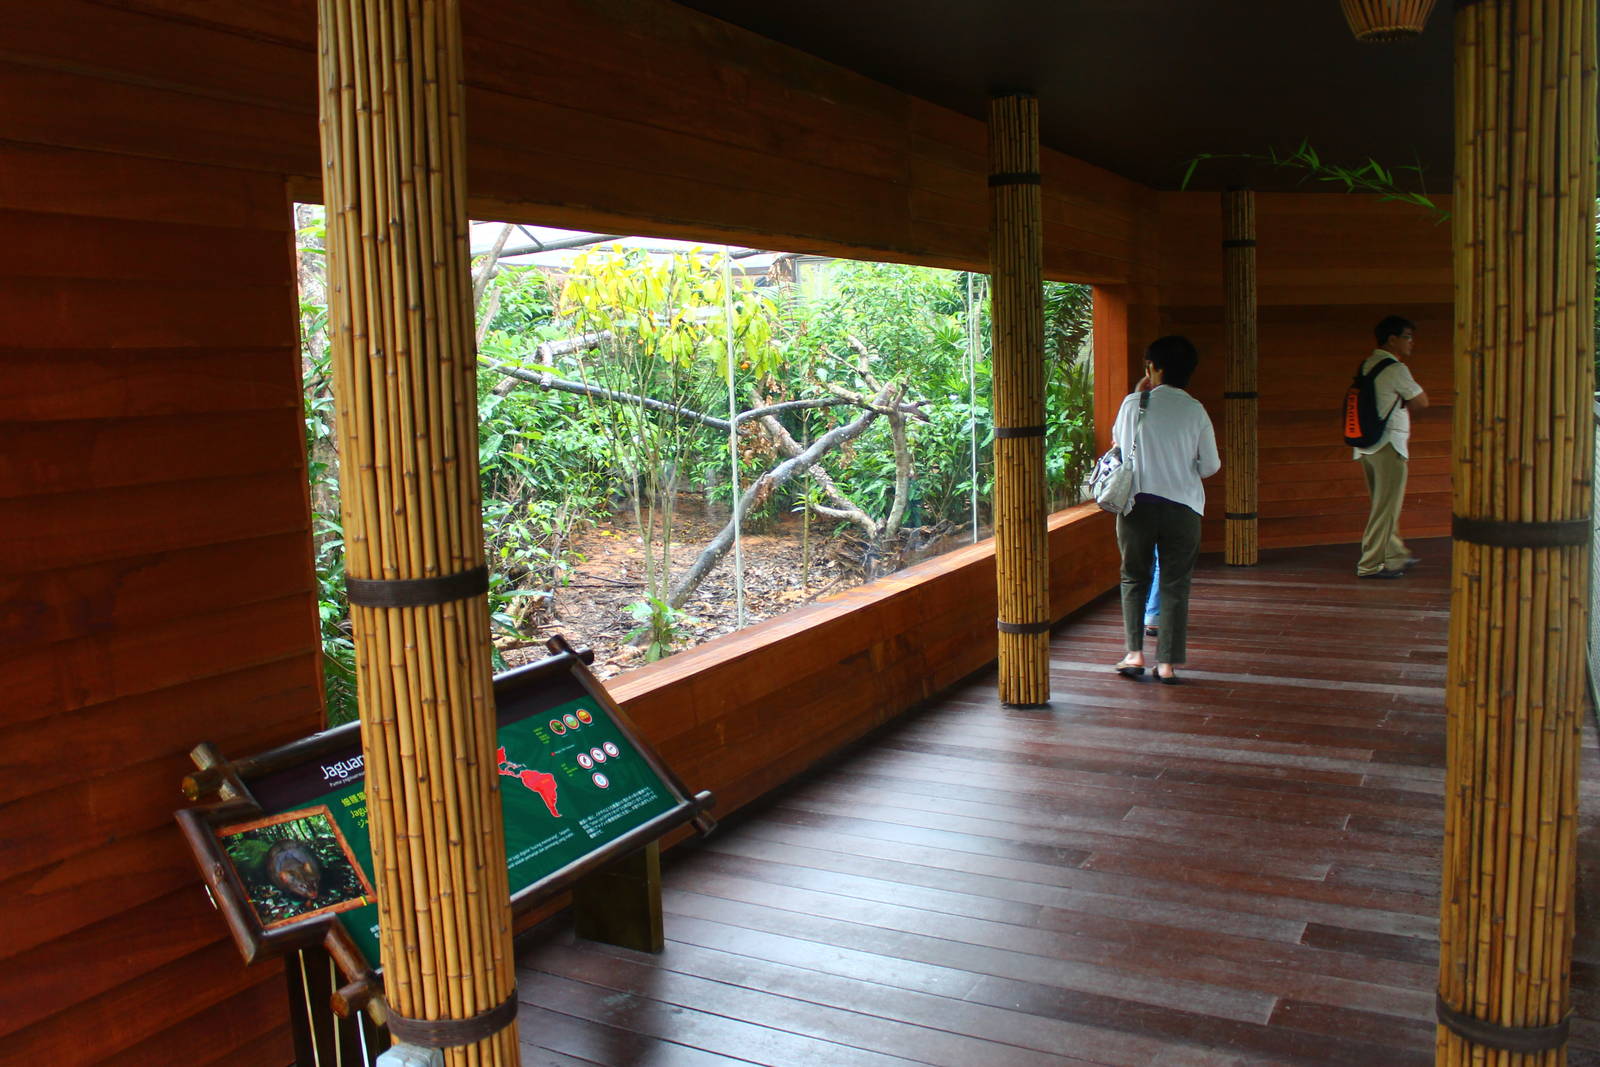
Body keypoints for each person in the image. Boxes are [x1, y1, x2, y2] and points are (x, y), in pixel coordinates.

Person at [1112, 336, 1221, 685]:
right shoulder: (1195, 410)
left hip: (1137, 506)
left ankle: (1134, 654)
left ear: (1153, 368)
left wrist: (1138, 393)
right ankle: (1168, 665)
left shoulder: (1132, 404)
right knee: (1175, 583)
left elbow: (1118, 444)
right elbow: (1210, 467)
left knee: (1133, 577)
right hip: (1184, 509)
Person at [1353, 315, 1428, 578]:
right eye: (1407, 337)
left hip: (1366, 446)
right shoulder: (1396, 369)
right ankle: (1370, 564)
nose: (1411, 342)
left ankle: (1395, 555)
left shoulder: (1367, 364)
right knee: (1386, 509)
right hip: (1388, 446)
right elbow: (1422, 402)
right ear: (1392, 339)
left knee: (1383, 505)